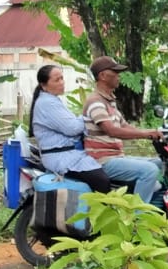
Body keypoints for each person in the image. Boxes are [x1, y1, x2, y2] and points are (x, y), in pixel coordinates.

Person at [81, 56, 165, 203]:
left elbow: (124, 125)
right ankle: (137, 217)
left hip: (116, 156)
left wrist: (151, 132)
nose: (119, 76)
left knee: (160, 163)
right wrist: (146, 134)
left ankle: (158, 205)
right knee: (149, 171)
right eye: (115, 72)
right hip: (103, 160)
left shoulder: (109, 100)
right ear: (102, 76)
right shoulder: (95, 102)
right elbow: (112, 130)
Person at [28, 64, 112, 193]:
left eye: (62, 78)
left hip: (70, 154)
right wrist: (86, 117)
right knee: (101, 180)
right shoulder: (47, 103)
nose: (62, 83)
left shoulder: (53, 100)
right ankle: (100, 211)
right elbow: (73, 128)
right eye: (57, 80)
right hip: (61, 157)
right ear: (44, 85)